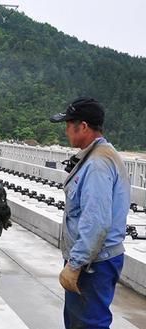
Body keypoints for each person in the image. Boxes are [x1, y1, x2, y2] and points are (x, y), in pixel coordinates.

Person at [49, 97, 130, 329]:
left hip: (93, 264)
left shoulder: (97, 164)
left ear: (83, 126)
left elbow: (96, 222)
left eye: (68, 125)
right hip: (92, 259)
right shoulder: (98, 155)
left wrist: (75, 265)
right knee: (78, 322)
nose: (66, 131)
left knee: (87, 324)